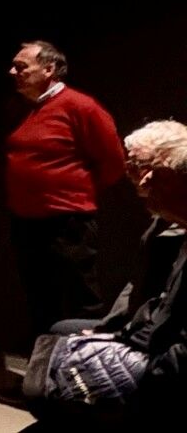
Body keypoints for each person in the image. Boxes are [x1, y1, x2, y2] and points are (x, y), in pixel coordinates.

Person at [25, 119, 187, 422]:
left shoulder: (175, 233)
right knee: (54, 351)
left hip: (155, 360)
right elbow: (142, 291)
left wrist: (120, 343)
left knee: (57, 365)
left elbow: (165, 324)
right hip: (146, 338)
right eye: (133, 165)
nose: (138, 177)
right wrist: (110, 330)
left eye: (146, 167)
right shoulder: (163, 222)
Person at [6, 40, 124, 335]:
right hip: (28, 223)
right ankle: (44, 364)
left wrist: (74, 195)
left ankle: (80, 364)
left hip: (66, 223)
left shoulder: (80, 106)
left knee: (78, 301)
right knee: (40, 300)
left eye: (21, 66)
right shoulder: (31, 109)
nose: (12, 72)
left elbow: (113, 162)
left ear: (49, 69)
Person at [51, 120, 184, 337]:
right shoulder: (161, 220)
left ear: (168, 165)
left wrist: (117, 335)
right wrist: (108, 326)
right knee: (60, 330)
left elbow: (162, 309)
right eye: (129, 163)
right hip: (137, 326)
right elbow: (136, 287)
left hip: (151, 334)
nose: (130, 173)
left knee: (61, 335)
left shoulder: (176, 231)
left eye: (139, 164)